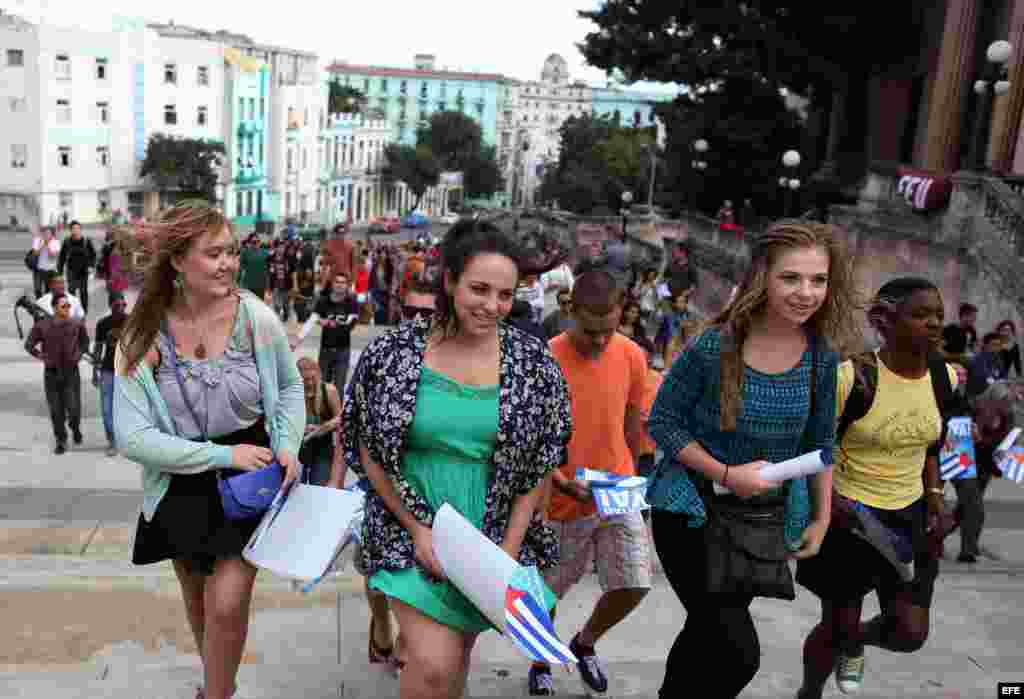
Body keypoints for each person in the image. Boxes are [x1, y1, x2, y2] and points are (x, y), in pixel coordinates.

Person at [340, 219, 572, 699]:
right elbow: (367, 443)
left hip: (486, 535)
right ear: (449, 282)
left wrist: (506, 550)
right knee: (434, 663)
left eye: (505, 295)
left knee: (451, 666)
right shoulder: (394, 352)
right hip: (406, 525)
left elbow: (541, 461)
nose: (492, 306)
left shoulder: (534, 363)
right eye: (479, 289)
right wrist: (415, 526)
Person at [647, 221, 861, 699]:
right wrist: (725, 473)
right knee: (737, 649)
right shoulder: (713, 346)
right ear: (763, 275)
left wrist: (823, 516)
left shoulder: (821, 358)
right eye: (791, 278)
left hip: (762, 523)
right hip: (689, 510)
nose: (806, 292)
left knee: (705, 637)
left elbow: (820, 441)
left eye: (818, 280)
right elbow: (662, 422)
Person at [113, 202, 304, 699]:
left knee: (227, 602)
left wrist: (286, 444)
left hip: (250, 478)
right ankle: (217, 686)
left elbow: (288, 389)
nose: (228, 264)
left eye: (231, 252)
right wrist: (222, 456)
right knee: (201, 603)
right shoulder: (142, 334)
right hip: (179, 480)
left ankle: (215, 695)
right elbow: (132, 437)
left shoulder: (255, 319)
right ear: (178, 261)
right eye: (213, 253)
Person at [794, 277, 960, 699]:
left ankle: (855, 643)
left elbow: (929, 448)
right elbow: (810, 448)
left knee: (909, 633)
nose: (934, 323)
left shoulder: (944, 379)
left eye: (938, 314)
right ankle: (809, 692)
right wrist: (827, 501)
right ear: (885, 321)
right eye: (921, 315)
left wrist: (937, 499)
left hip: (910, 519)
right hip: (848, 518)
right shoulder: (852, 377)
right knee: (838, 622)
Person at [529, 270, 651, 697]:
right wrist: (558, 481)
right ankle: (540, 658)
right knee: (545, 592)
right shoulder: (545, 359)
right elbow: (534, 438)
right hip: (560, 494)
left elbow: (633, 420)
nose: (601, 341)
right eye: (591, 330)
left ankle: (584, 643)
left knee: (634, 582)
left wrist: (632, 474)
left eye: (609, 331)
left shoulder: (633, 354)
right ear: (570, 312)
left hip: (617, 488)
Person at [327, 281, 437, 674]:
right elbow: (350, 423)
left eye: (429, 313)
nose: (419, 321)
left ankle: (408, 641)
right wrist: (334, 484)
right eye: (411, 312)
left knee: (421, 573)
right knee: (375, 573)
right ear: (399, 311)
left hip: (431, 491)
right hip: (380, 487)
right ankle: (381, 619)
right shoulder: (380, 354)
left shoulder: (453, 360)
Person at [943, 381, 1017, 563]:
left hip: (984, 465)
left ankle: (934, 537)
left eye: (1009, 403)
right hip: (961, 459)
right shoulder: (971, 407)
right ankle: (968, 551)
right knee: (975, 508)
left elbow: (1006, 442)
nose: (1007, 407)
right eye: (1004, 402)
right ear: (993, 398)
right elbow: (955, 437)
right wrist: (970, 434)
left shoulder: (1007, 416)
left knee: (964, 510)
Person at [25, 291, 89, 454]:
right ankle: (61, 440)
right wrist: (42, 357)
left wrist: (79, 354)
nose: (68, 308)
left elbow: (85, 341)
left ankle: (75, 428)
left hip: (71, 373)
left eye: (69, 306)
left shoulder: (76, 324)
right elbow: (29, 345)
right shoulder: (42, 326)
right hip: (52, 374)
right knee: (55, 410)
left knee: (73, 409)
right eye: (64, 306)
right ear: (54, 308)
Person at [294, 271, 359, 389]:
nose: (340, 285)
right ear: (332, 284)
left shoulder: (352, 303)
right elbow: (311, 321)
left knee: (339, 387)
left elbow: (350, 325)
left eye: (343, 282)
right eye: (337, 282)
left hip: (342, 351)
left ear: (347, 285)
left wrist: (329, 323)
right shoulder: (323, 302)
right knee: (322, 387)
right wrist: (298, 339)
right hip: (325, 350)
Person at [93, 291, 129, 457]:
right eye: (117, 305)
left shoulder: (131, 322)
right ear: (111, 306)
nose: (121, 308)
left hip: (126, 372)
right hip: (107, 370)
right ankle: (112, 440)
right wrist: (95, 371)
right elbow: (98, 349)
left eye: (123, 305)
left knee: (124, 408)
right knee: (107, 409)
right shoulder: (102, 324)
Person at [296, 357, 341, 486]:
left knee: (319, 488)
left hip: (322, 450)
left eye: (313, 378)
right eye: (305, 380)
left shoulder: (329, 391)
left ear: (318, 374)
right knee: (294, 490)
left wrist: (320, 428)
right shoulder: (293, 392)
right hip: (298, 449)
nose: (310, 383)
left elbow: (340, 420)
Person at [58, 221, 97, 315]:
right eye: (73, 229)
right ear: (70, 230)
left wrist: (91, 266)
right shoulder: (67, 241)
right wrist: (59, 271)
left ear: (80, 230)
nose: (75, 230)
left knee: (83, 292)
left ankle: (84, 311)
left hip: (83, 271)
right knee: (71, 292)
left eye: (77, 229)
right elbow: (62, 256)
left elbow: (93, 255)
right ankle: (72, 311)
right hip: (71, 270)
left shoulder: (87, 241)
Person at [966, 332, 1008, 399]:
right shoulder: (977, 360)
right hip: (977, 396)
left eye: (999, 345)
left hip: (993, 392)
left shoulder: (998, 360)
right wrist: (997, 382)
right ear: (985, 345)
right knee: (999, 389)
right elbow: (981, 382)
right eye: (994, 345)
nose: (996, 348)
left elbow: (1004, 377)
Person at [31, 226, 61, 298]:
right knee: (37, 290)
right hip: (38, 269)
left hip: (50, 270)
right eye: (45, 233)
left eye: (48, 233)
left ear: (52, 234)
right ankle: (39, 305)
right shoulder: (37, 240)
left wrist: (47, 246)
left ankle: (46, 306)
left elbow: (53, 256)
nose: (46, 235)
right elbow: (35, 254)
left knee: (48, 291)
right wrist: (42, 245)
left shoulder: (56, 242)